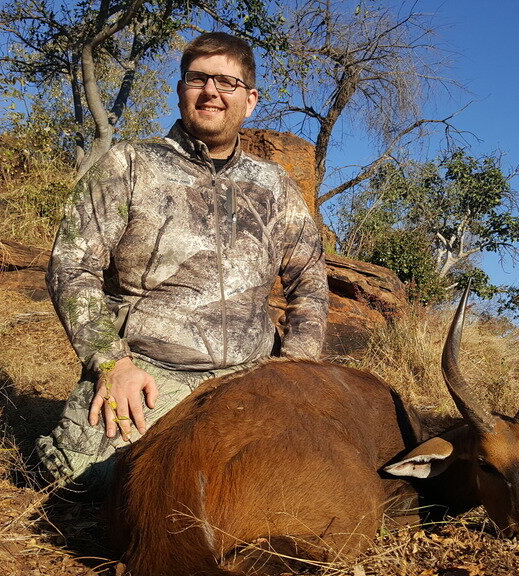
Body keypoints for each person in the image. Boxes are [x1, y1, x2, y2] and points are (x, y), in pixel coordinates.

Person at [36, 32, 329, 492]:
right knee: (90, 483)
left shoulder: (274, 186)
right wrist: (112, 364)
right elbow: (71, 266)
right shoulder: (130, 164)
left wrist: (295, 371)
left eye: (227, 83)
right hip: (149, 370)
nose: (211, 91)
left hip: (251, 378)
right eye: (198, 79)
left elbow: (308, 280)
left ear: (249, 100)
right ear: (181, 90)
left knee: (283, 484)